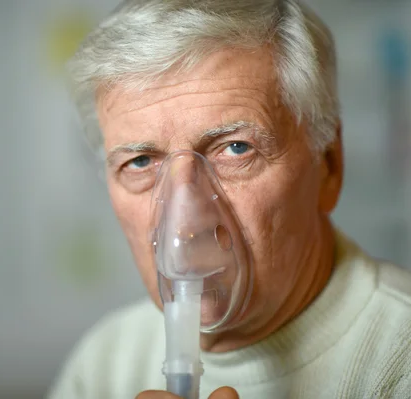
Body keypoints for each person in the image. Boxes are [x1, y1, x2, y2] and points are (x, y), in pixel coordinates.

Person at [48, 1, 411, 398]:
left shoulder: (398, 361)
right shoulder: (104, 365)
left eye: (237, 148)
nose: (186, 222)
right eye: (141, 161)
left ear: (328, 166)